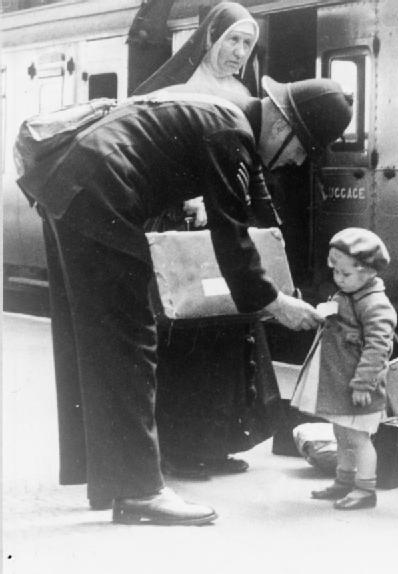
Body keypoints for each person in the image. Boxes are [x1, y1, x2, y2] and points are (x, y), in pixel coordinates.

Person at [20, 74, 352, 524]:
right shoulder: (231, 133)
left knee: (101, 339)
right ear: (282, 124)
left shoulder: (232, 121)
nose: (295, 161)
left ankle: (111, 480)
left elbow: (259, 208)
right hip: (101, 192)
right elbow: (229, 233)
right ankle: (138, 492)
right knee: (131, 341)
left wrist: (287, 286)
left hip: (72, 184)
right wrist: (274, 302)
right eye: (300, 148)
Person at [133, 2, 280, 479]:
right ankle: (177, 447)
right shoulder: (171, 90)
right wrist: (187, 201)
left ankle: (216, 441)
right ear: (210, 38)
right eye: (232, 40)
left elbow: (248, 166)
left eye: (247, 43)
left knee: (228, 331)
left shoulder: (244, 93)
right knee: (186, 336)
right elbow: (148, 161)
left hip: (222, 222)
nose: (239, 52)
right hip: (177, 226)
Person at [292, 228, 397, 511]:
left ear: (368, 272)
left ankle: (365, 489)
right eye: (335, 272)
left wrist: (364, 384)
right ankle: (344, 480)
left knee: (359, 438)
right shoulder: (348, 294)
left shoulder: (375, 304)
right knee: (341, 433)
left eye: (345, 274)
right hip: (342, 382)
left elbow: (378, 347)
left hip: (359, 386)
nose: (338, 279)